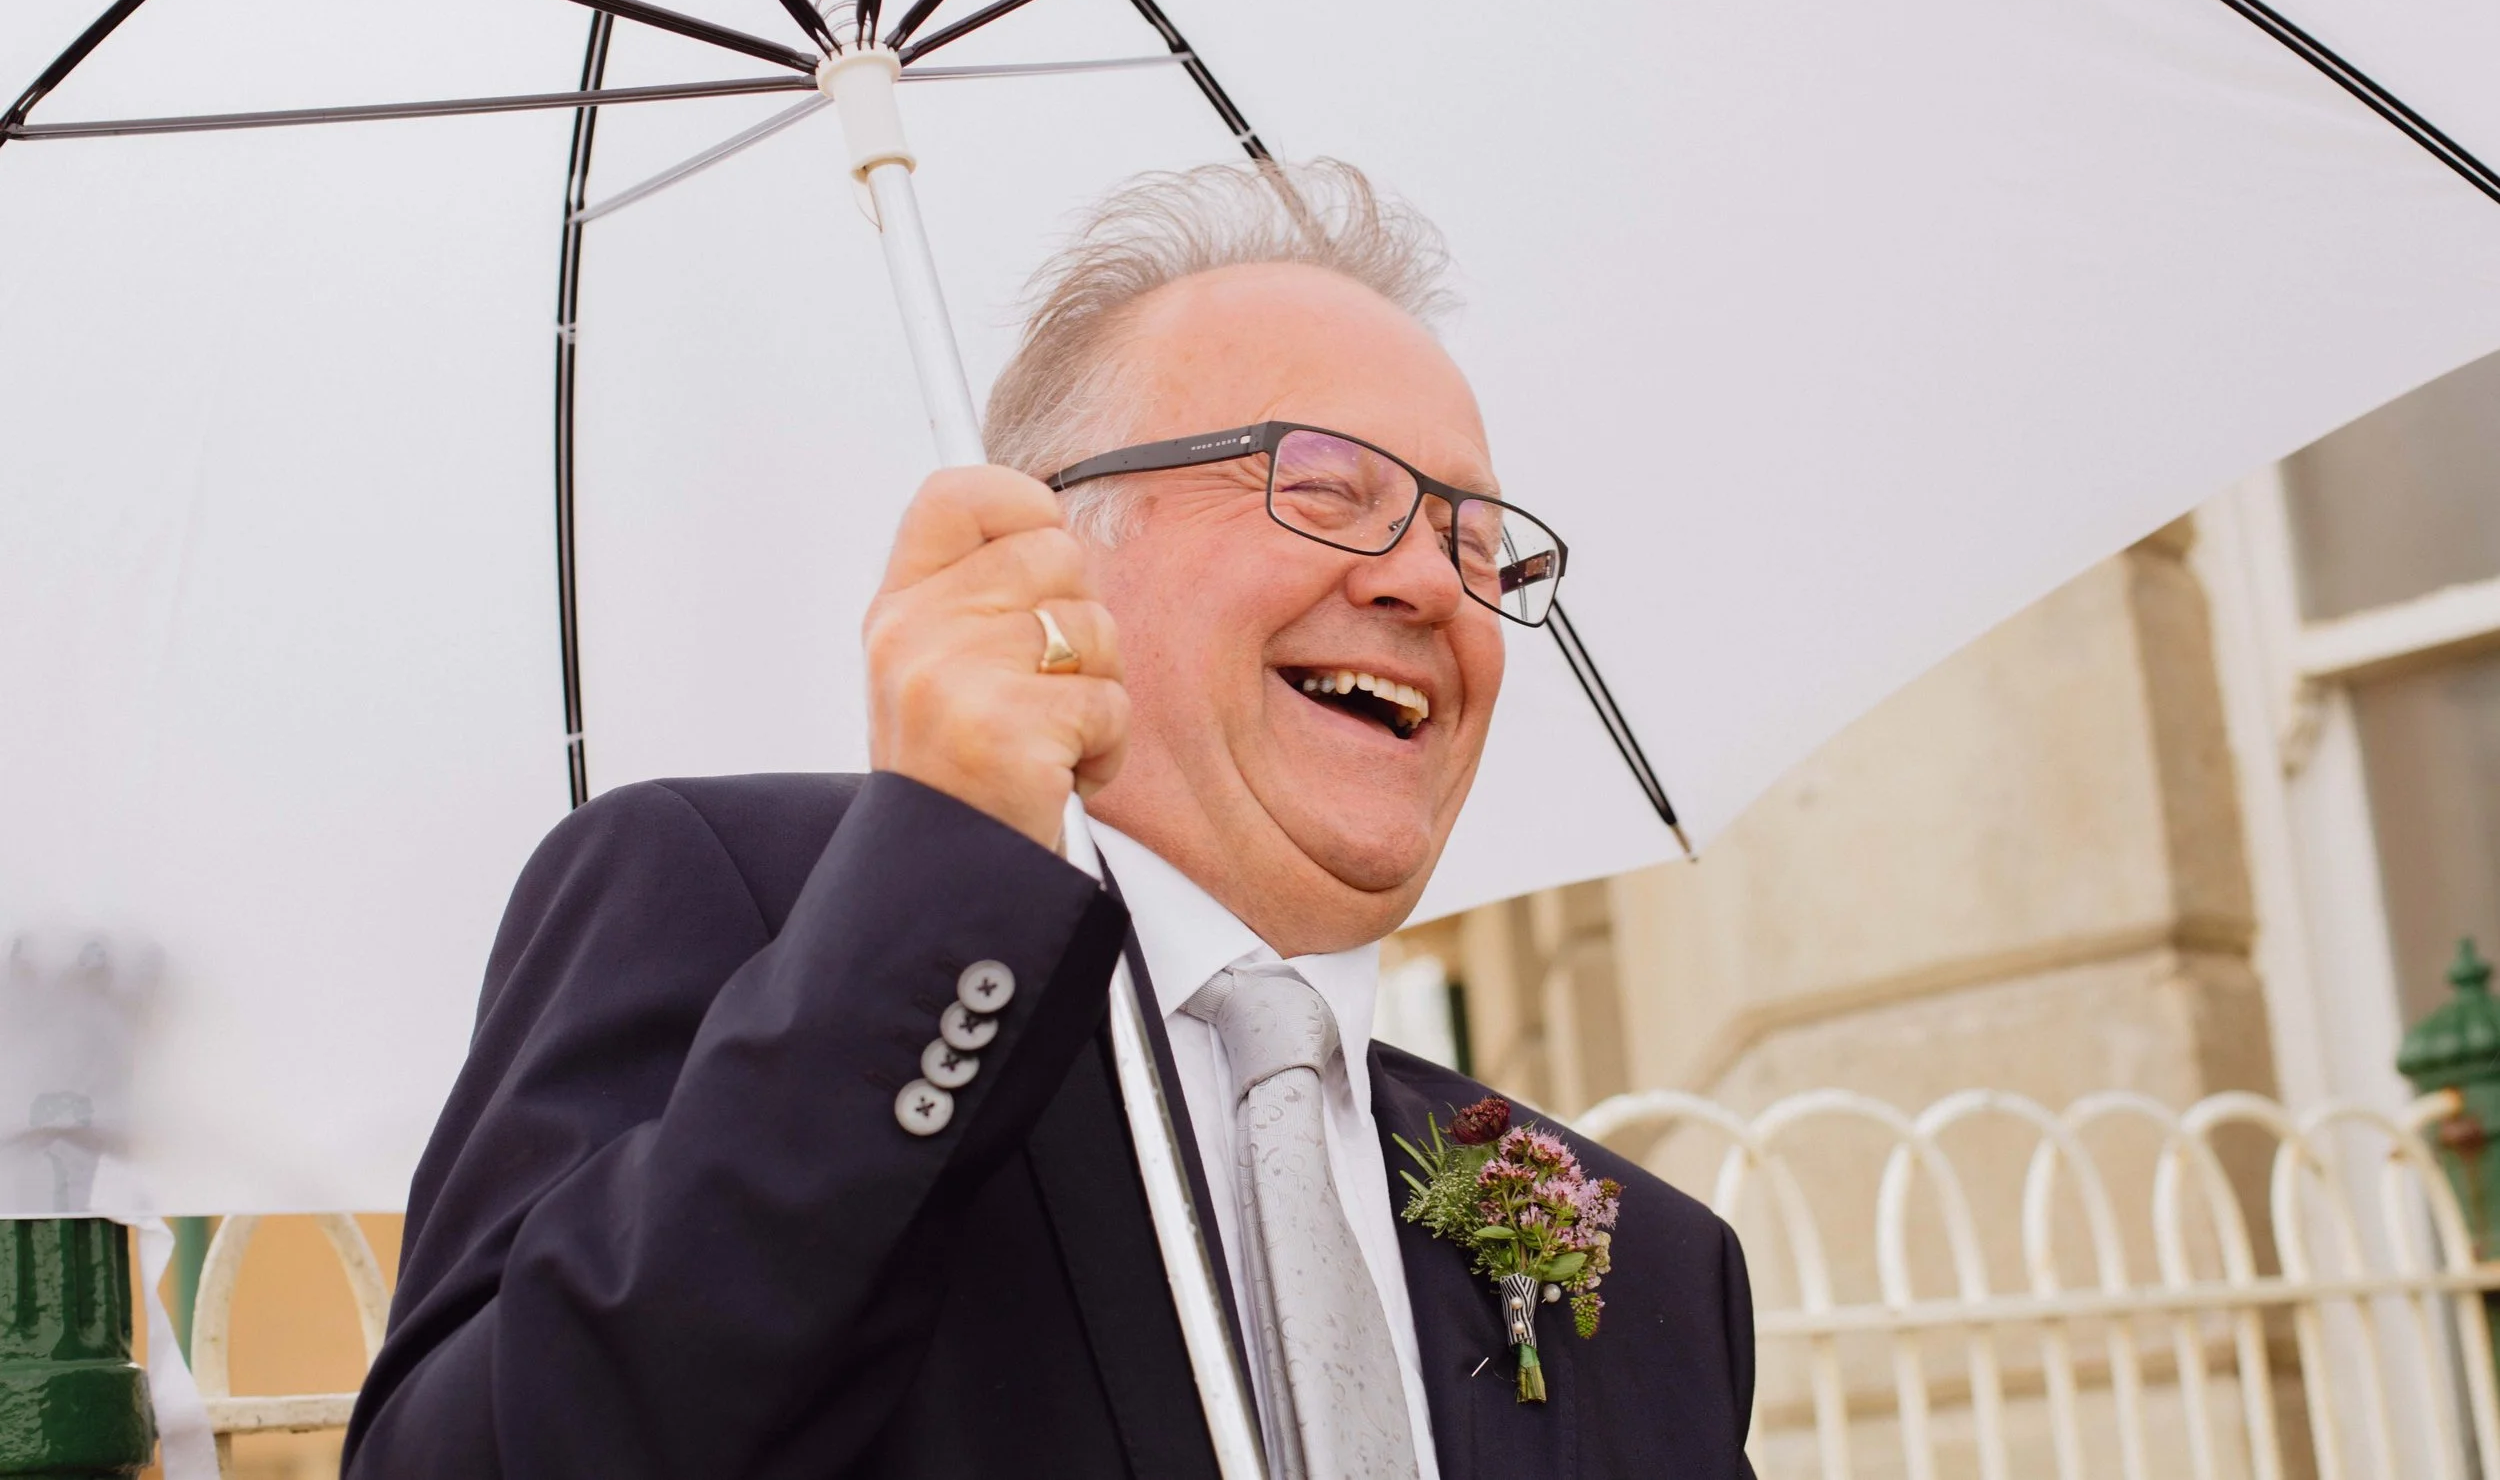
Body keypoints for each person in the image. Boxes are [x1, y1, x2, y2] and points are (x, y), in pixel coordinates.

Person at [344, 161, 1755, 1479]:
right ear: (1053, 554)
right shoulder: (731, 904)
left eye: (1473, 541)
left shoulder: (1650, 1264)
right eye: (1325, 487)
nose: (1432, 588)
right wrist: (932, 892)